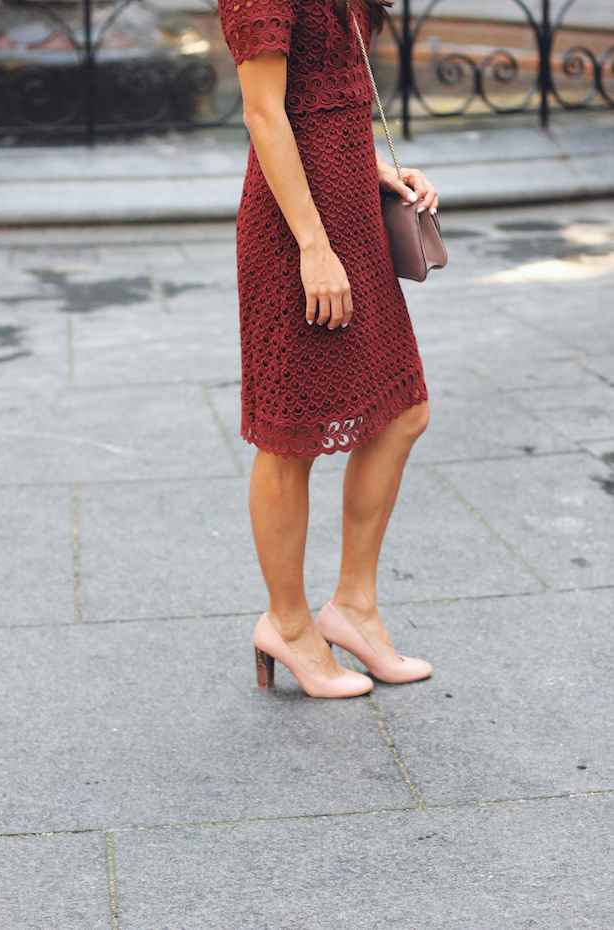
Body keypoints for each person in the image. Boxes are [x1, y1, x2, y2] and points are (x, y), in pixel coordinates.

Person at [218, 0, 438, 698]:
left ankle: (354, 609)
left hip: (352, 216)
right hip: (297, 233)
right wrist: (314, 247)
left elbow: (326, 94)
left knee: (403, 410)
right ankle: (286, 623)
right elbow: (265, 113)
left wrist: (377, 167)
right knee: (291, 436)